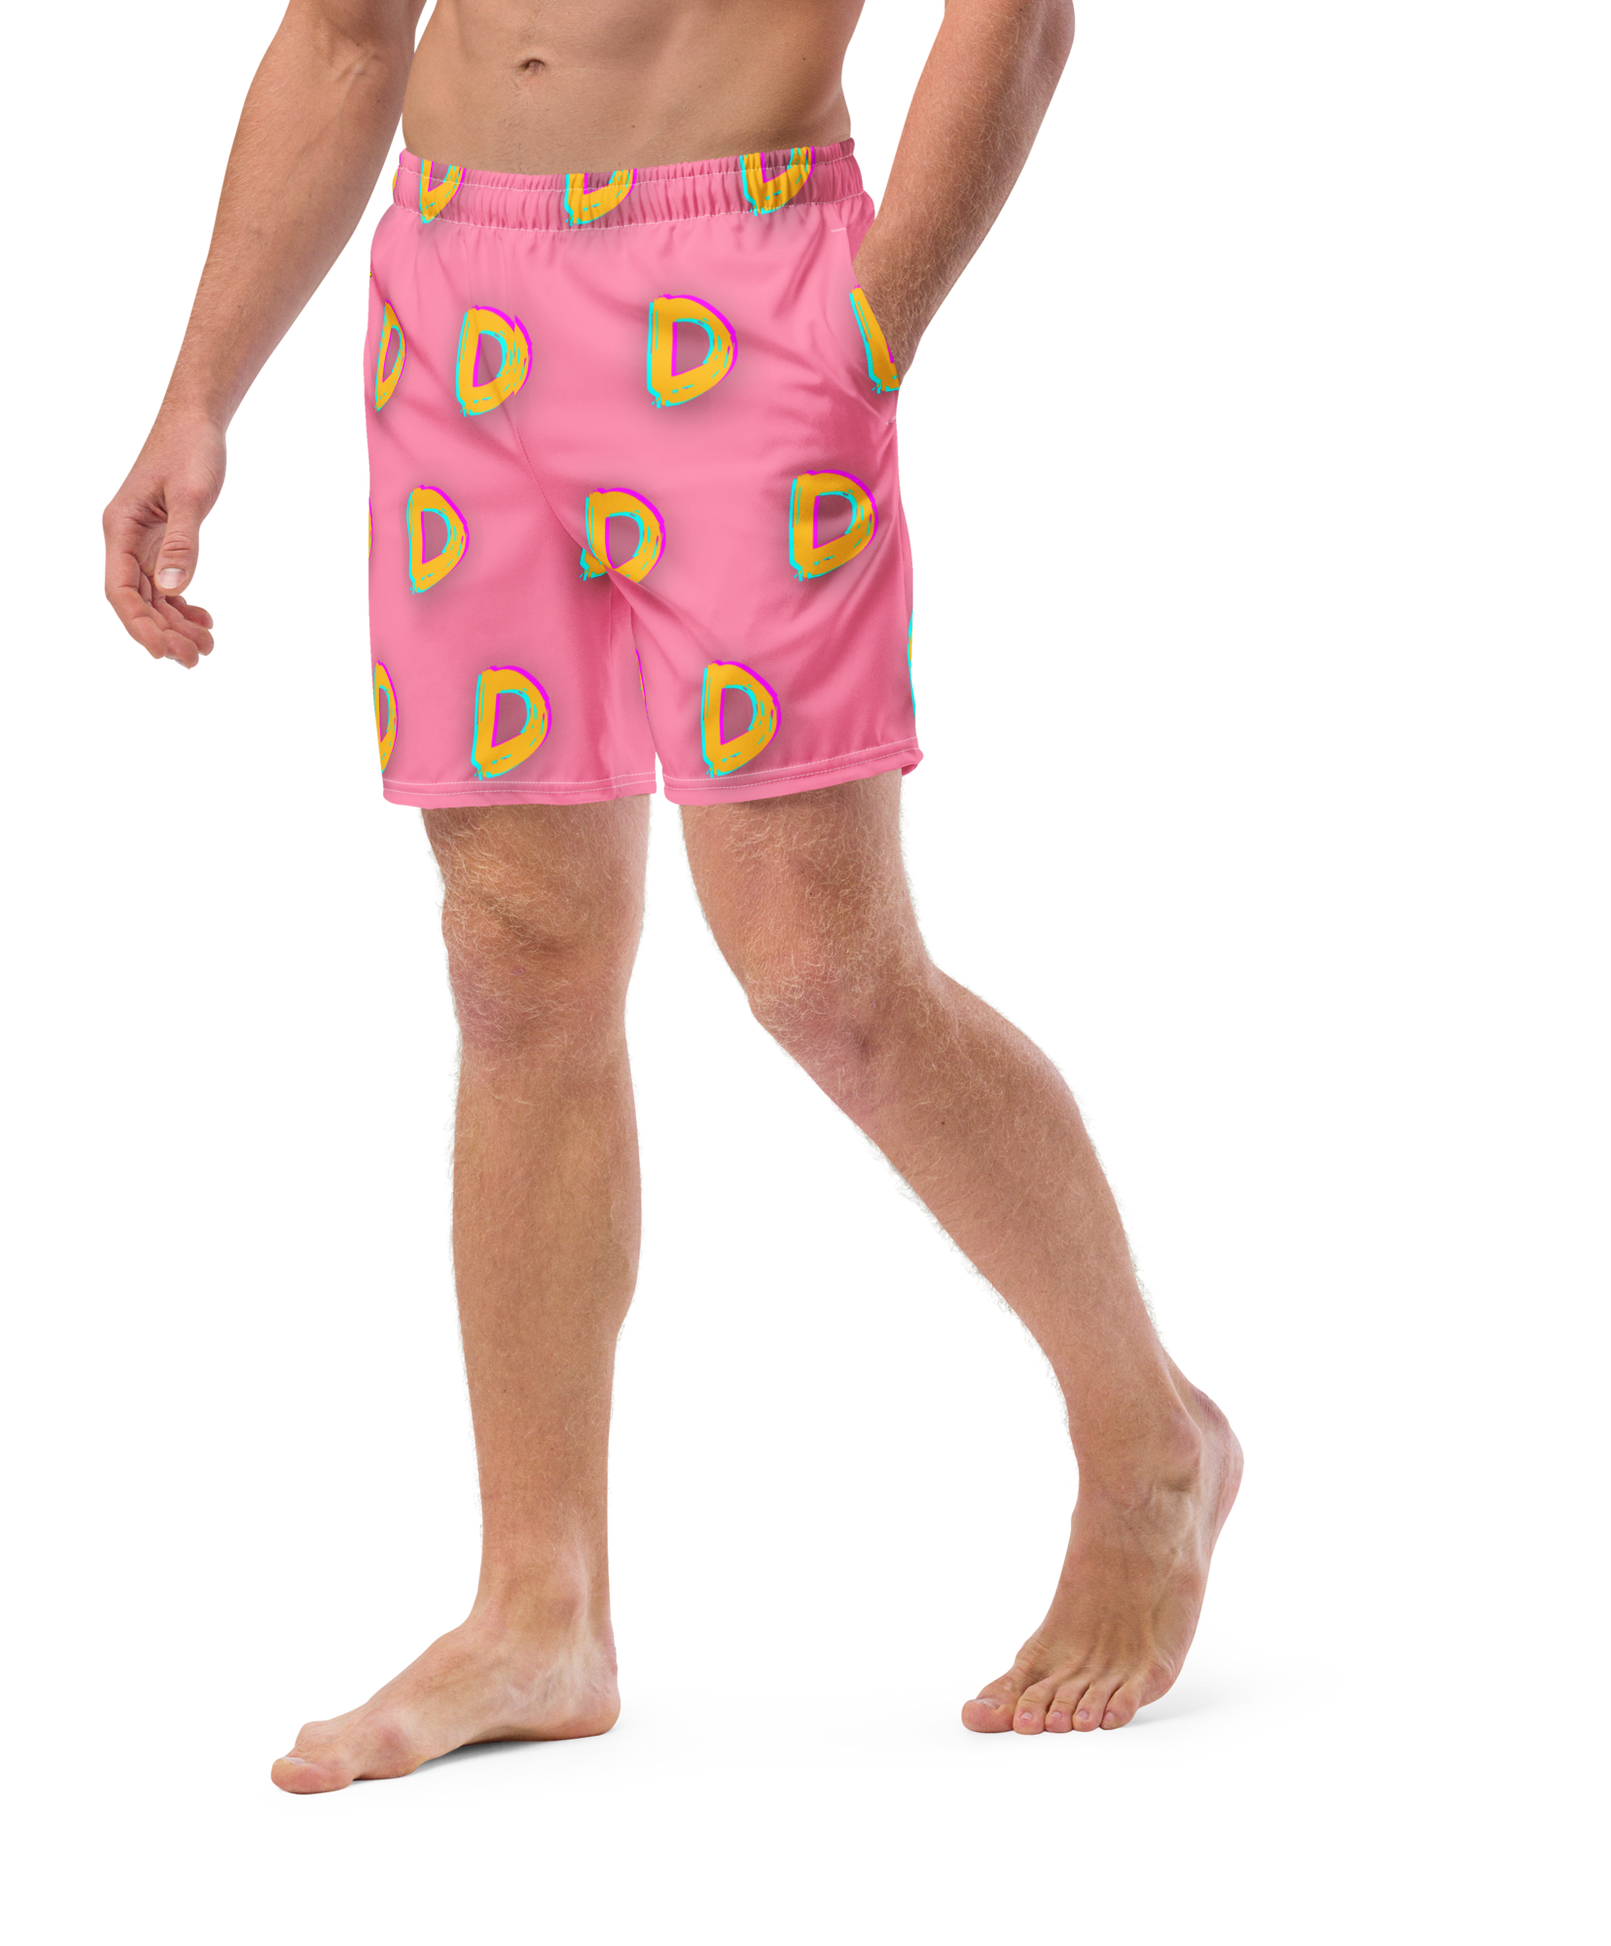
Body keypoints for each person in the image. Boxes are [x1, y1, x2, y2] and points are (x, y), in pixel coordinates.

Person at [99, 0, 1245, 1792]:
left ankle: (1149, 1439)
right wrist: (197, 394)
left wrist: (871, 330)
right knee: (516, 975)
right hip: (453, 296)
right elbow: (339, 36)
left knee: (825, 973)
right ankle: (536, 1604)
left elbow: (1015, 11)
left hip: (746, 287)